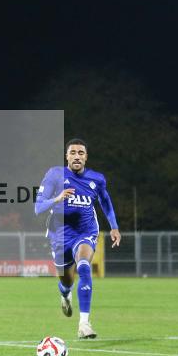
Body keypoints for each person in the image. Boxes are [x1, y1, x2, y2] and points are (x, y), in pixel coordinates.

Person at [34, 138, 121, 339]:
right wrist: (57, 198)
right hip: (60, 234)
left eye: (81, 153)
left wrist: (114, 226)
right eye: (73, 152)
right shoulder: (54, 175)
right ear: (66, 156)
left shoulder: (97, 179)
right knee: (66, 279)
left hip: (86, 231)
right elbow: (38, 208)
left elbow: (105, 201)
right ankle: (65, 293)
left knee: (83, 265)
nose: (77, 156)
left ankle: (84, 324)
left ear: (86, 157)